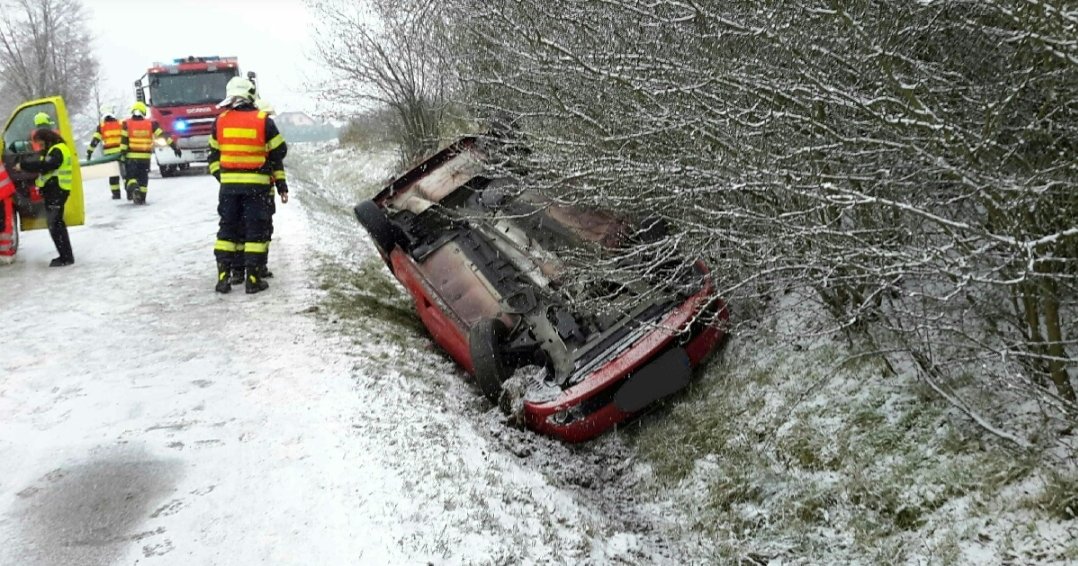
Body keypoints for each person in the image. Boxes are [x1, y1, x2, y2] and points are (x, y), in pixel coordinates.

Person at [210, 78, 287, 294]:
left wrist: (225, 176)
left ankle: (223, 278)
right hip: (257, 188)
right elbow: (280, 151)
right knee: (255, 231)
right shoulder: (263, 121)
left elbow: (213, 155)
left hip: (228, 189)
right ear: (250, 95)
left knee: (228, 229)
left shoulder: (219, 121)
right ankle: (253, 280)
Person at [229, 99, 288, 285]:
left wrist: (282, 187)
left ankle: (254, 268)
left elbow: (278, 167)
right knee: (252, 231)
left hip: (260, 193)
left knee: (258, 231)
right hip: (256, 193)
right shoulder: (256, 143)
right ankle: (244, 269)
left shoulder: (266, 144)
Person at [14, 114, 74, 266]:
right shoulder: (54, 149)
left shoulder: (57, 150)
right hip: (56, 191)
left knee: (55, 224)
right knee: (56, 224)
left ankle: (66, 258)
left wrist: (23, 166)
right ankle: (66, 256)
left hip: (57, 191)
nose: (40, 146)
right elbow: (45, 165)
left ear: (46, 139)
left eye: (40, 142)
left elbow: (47, 166)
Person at [120, 101, 181, 204]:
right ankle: (142, 196)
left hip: (131, 158)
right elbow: (164, 136)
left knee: (130, 178)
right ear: (143, 112)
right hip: (145, 159)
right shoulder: (151, 124)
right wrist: (174, 147)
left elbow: (124, 142)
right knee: (143, 178)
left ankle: (135, 189)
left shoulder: (127, 124)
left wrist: (122, 155)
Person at [86, 105, 125, 199]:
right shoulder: (121, 124)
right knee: (125, 174)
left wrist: (89, 152)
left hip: (110, 157)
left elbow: (95, 141)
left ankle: (116, 194)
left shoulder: (101, 127)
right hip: (121, 154)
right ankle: (130, 192)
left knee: (113, 175)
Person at [0, 162, 15, 264]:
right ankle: (5, 253)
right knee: (5, 225)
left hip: (3, 193)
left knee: (4, 225)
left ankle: (5, 253)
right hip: (4, 193)